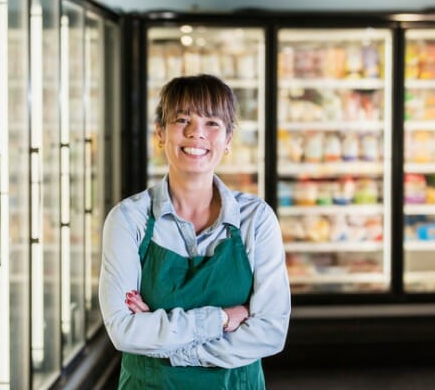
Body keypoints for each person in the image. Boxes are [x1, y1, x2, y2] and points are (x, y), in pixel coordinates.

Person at [99, 74, 291, 389]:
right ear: (160, 134)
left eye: (212, 123)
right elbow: (123, 330)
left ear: (228, 140)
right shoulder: (128, 219)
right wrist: (223, 319)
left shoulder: (256, 220)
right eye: (182, 119)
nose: (195, 133)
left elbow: (270, 332)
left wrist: (169, 345)